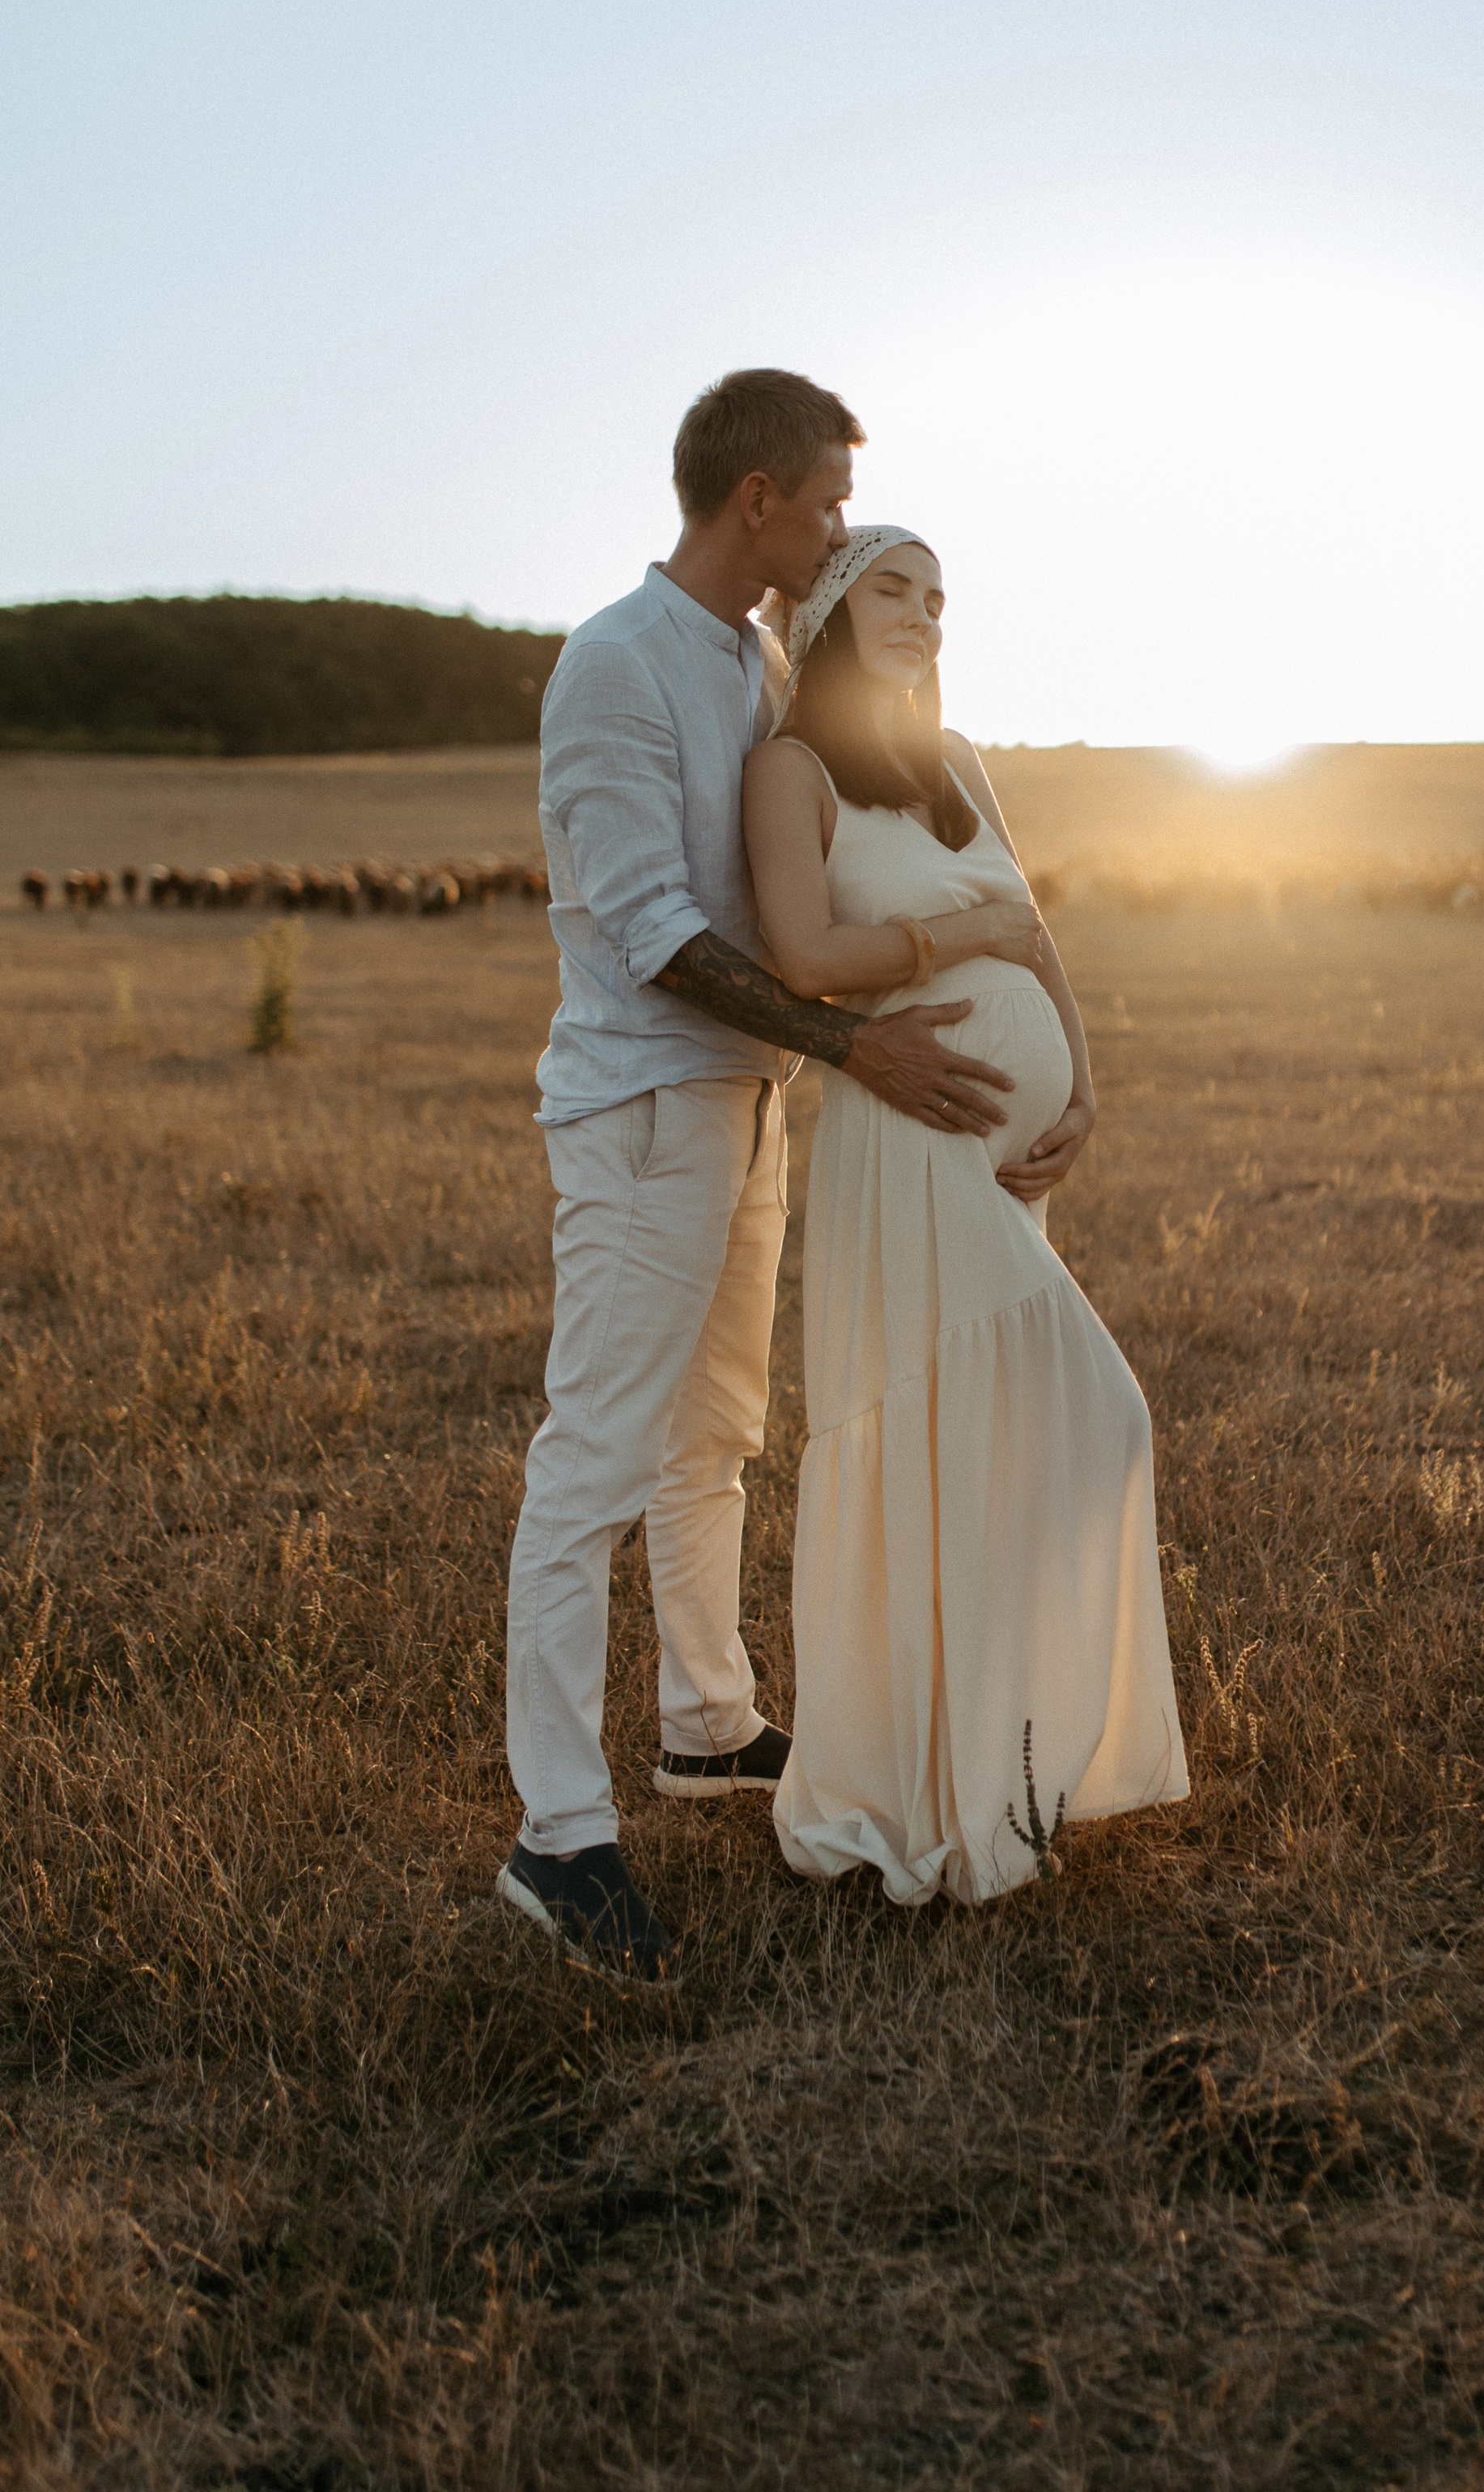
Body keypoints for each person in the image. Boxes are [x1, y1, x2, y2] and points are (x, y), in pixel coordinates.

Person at [498, 375, 1018, 1983]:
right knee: (591, 1456)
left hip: (742, 1106)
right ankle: (558, 1839)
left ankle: (707, 1725)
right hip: (647, 1109)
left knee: (715, 1436)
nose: (844, 529)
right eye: (830, 504)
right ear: (757, 506)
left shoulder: (758, 659)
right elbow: (651, 933)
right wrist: (853, 1044)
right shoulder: (615, 664)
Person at [744, 528, 1189, 1903]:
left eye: (940, 601)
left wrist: (1087, 1088)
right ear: (825, 610)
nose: (926, 617)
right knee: (1092, 1417)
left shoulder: (958, 764)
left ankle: (1005, 1774)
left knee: (998, 1445)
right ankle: (917, 1788)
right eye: (895, 591)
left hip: (1002, 1159)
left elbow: (1036, 927)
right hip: (907, 1137)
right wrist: (955, 946)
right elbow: (805, 959)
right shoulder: (788, 771)